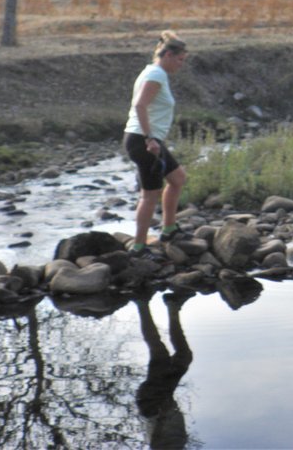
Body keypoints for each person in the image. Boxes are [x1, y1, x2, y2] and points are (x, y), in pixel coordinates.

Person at [123, 30, 189, 253]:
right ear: (168, 55)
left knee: (178, 178)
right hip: (143, 140)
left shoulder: (153, 72)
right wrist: (150, 139)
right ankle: (139, 245)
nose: (181, 65)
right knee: (150, 194)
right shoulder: (156, 74)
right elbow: (140, 105)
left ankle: (169, 228)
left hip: (143, 139)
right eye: (180, 60)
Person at [135, 291, 194, 449]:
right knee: (181, 357)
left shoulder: (165, 445)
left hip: (154, 400)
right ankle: (170, 305)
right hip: (158, 399)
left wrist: (162, 412)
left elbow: (158, 425)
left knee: (160, 353)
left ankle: (143, 302)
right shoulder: (173, 444)